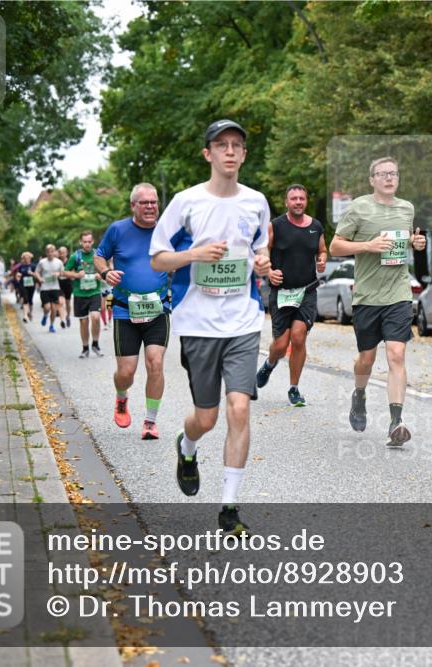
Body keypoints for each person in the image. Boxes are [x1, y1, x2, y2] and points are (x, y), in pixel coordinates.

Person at [150, 119, 272, 535]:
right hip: (198, 323)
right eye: (222, 145)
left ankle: (229, 509)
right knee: (206, 418)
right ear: (208, 154)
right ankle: (186, 447)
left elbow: (261, 249)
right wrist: (195, 255)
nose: (230, 151)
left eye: (237, 145)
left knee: (239, 408)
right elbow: (158, 258)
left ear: (244, 154)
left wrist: (263, 262)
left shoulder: (256, 201)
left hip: (242, 320)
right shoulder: (186, 202)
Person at [329, 157, 427, 447]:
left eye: (393, 173)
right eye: (382, 174)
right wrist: (368, 246)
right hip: (368, 297)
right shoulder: (359, 207)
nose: (388, 178)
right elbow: (335, 246)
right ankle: (359, 395)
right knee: (367, 359)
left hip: (398, 293)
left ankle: (396, 421)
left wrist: (415, 243)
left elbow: (404, 241)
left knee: (396, 354)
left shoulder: (406, 208)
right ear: (372, 179)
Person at [96, 183, 170, 440]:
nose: (150, 207)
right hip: (125, 311)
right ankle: (121, 397)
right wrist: (106, 272)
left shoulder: (167, 230)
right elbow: (99, 256)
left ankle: (150, 421)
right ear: (133, 206)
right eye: (144, 202)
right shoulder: (118, 230)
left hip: (158, 309)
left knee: (155, 362)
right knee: (126, 373)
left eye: (154, 202)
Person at [254, 184, 326, 406]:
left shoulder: (315, 226)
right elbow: (263, 251)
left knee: (298, 336)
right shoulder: (275, 226)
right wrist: (269, 271)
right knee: (280, 344)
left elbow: (322, 250)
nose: (298, 202)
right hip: (281, 292)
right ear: (287, 202)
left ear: (306, 201)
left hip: (306, 291)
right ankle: (270, 363)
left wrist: (322, 260)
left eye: (301, 198)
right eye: (293, 198)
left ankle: (294, 388)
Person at [64, 230, 104, 358]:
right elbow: (65, 272)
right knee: (84, 322)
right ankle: (85, 347)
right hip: (80, 293)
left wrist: (101, 275)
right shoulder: (75, 256)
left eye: (89, 241)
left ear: (93, 242)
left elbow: (106, 269)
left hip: (95, 291)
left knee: (95, 317)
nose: (87, 244)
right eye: (85, 241)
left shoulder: (97, 255)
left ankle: (95, 344)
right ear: (80, 242)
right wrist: (76, 275)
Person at [36, 244, 65, 333]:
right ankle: (45, 316)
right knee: (47, 307)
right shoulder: (42, 262)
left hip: (55, 288)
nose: (50, 253)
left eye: (52, 252)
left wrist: (58, 274)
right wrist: (40, 278)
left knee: (54, 309)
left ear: (54, 252)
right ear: (46, 253)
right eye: (48, 252)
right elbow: (37, 272)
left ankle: (51, 325)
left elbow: (63, 273)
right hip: (45, 288)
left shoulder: (59, 262)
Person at [14, 252, 38, 322]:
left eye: (28, 258)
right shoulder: (21, 266)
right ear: (23, 259)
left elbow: (37, 275)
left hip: (31, 284)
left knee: (30, 300)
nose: (26, 259)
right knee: (25, 299)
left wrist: (32, 273)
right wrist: (18, 277)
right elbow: (18, 274)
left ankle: (30, 313)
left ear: (30, 258)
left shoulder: (33, 266)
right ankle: (25, 316)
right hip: (23, 284)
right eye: (25, 258)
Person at [58, 245, 73, 328]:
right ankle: (62, 320)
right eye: (60, 253)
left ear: (66, 253)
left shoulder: (70, 261)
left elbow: (73, 272)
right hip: (59, 284)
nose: (62, 254)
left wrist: (67, 274)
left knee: (67, 303)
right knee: (60, 302)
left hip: (68, 283)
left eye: (63, 253)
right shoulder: (57, 262)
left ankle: (68, 317)